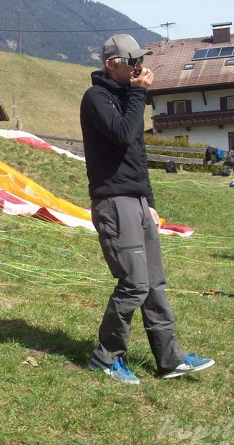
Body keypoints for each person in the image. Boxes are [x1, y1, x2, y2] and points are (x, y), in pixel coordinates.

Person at [80, 33, 214, 384]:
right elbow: (123, 134)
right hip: (113, 201)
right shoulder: (97, 98)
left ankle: (169, 358)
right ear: (112, 65)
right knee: (134, 284)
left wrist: (150, 203)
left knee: (154, 283)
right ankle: (106, 358)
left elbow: (137, 156)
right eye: (132, 62)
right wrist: (140, 93)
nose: (140, 66)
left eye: (141, 60)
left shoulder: (128, 98)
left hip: (137, 200)